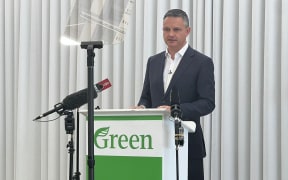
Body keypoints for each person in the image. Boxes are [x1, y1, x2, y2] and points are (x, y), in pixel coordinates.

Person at [135, 9, 215, 180]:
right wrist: (141, 107)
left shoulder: (202, 62)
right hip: (154, 144)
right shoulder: (153, 61)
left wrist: (176, 110)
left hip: (187, 143)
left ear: (188, 31)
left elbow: (208, 103)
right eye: (166, 29)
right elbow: (146, 96)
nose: (170, 34)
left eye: (176, 29)